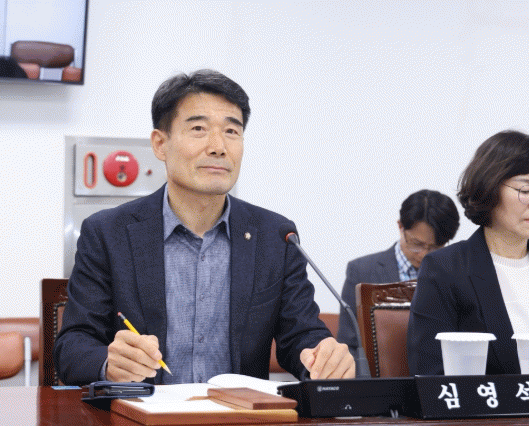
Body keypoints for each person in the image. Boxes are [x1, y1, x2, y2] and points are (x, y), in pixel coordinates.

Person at [54, 69, 354, 385]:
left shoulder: (275, 236)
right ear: (160, 144)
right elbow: (73, 345)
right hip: (143, 410)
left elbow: (301, 334)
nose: (218, 146)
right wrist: (110, 363)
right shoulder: (108, 233)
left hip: (239, 411)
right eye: (199, 128)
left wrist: (322, 357)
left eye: (232, 131)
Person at [408, 130, 529, 375]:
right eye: (525, 191)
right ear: (489, 188)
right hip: (489, 401)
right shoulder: (445, 270)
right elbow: (431, 376)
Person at [337, 190, 460, 354]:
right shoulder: (361, 271)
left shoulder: (456, 273)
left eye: (435, 247)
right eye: (417, 244)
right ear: (400, 226)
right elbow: (349, 346)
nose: (424, 254)